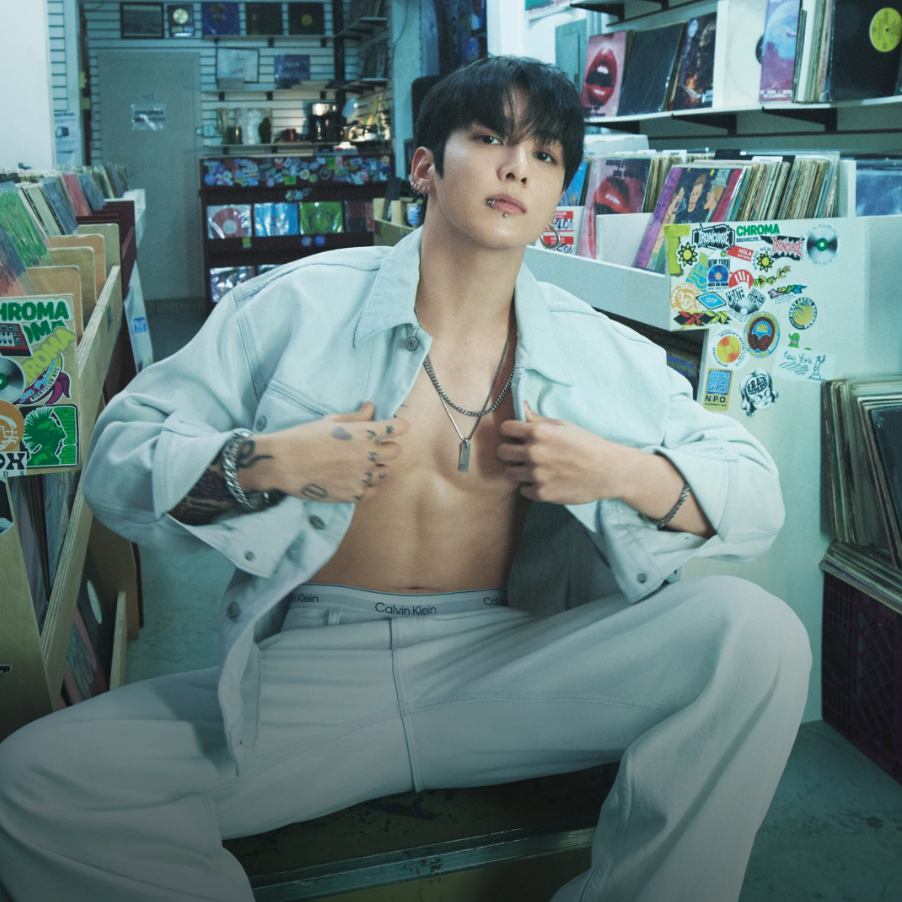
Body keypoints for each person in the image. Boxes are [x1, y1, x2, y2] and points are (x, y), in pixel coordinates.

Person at [0, 56, 811, 902]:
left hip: (513, 665)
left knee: (756, 634)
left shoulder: (599, 349)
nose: (516, 168)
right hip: (316, 673)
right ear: (424, 165)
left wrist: (624, 472)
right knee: (31, 781)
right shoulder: (294, 305)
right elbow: (117, 467)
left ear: (559, 195)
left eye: (543, 155)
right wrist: (267, 462)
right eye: (490, 138)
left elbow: (755, 496)